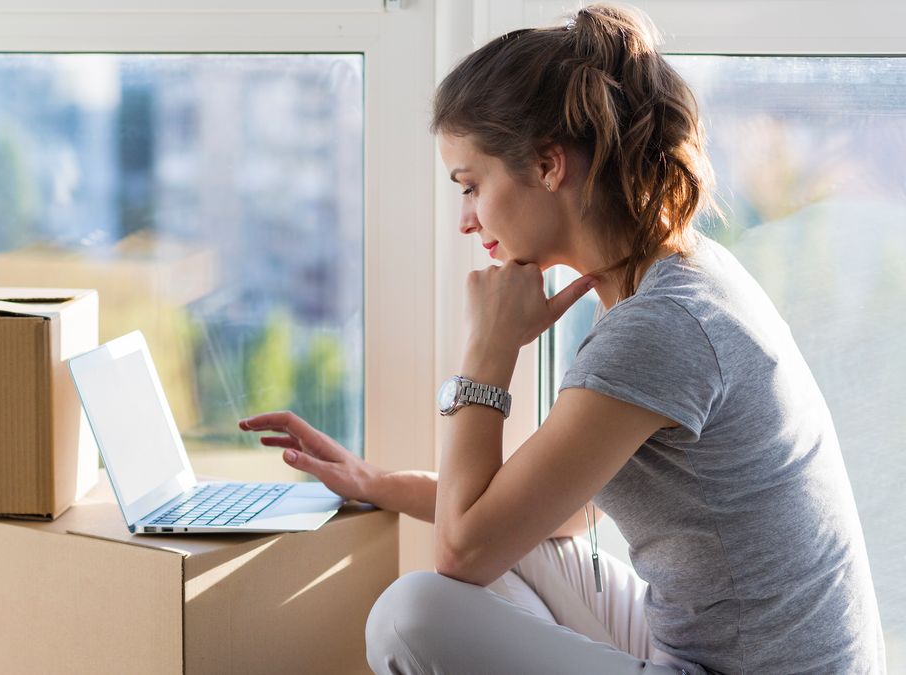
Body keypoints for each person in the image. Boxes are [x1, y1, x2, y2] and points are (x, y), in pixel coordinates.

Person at [238, 3, 887, 674]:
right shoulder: (676, 276)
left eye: (471, 186)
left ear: (549, 165)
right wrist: (374, 481)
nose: (466, 220)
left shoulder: (658, 327)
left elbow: (462, 551)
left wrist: (488, 354)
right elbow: (559, 514)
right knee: (504, 554)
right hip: (709, 643)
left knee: (412, 616)